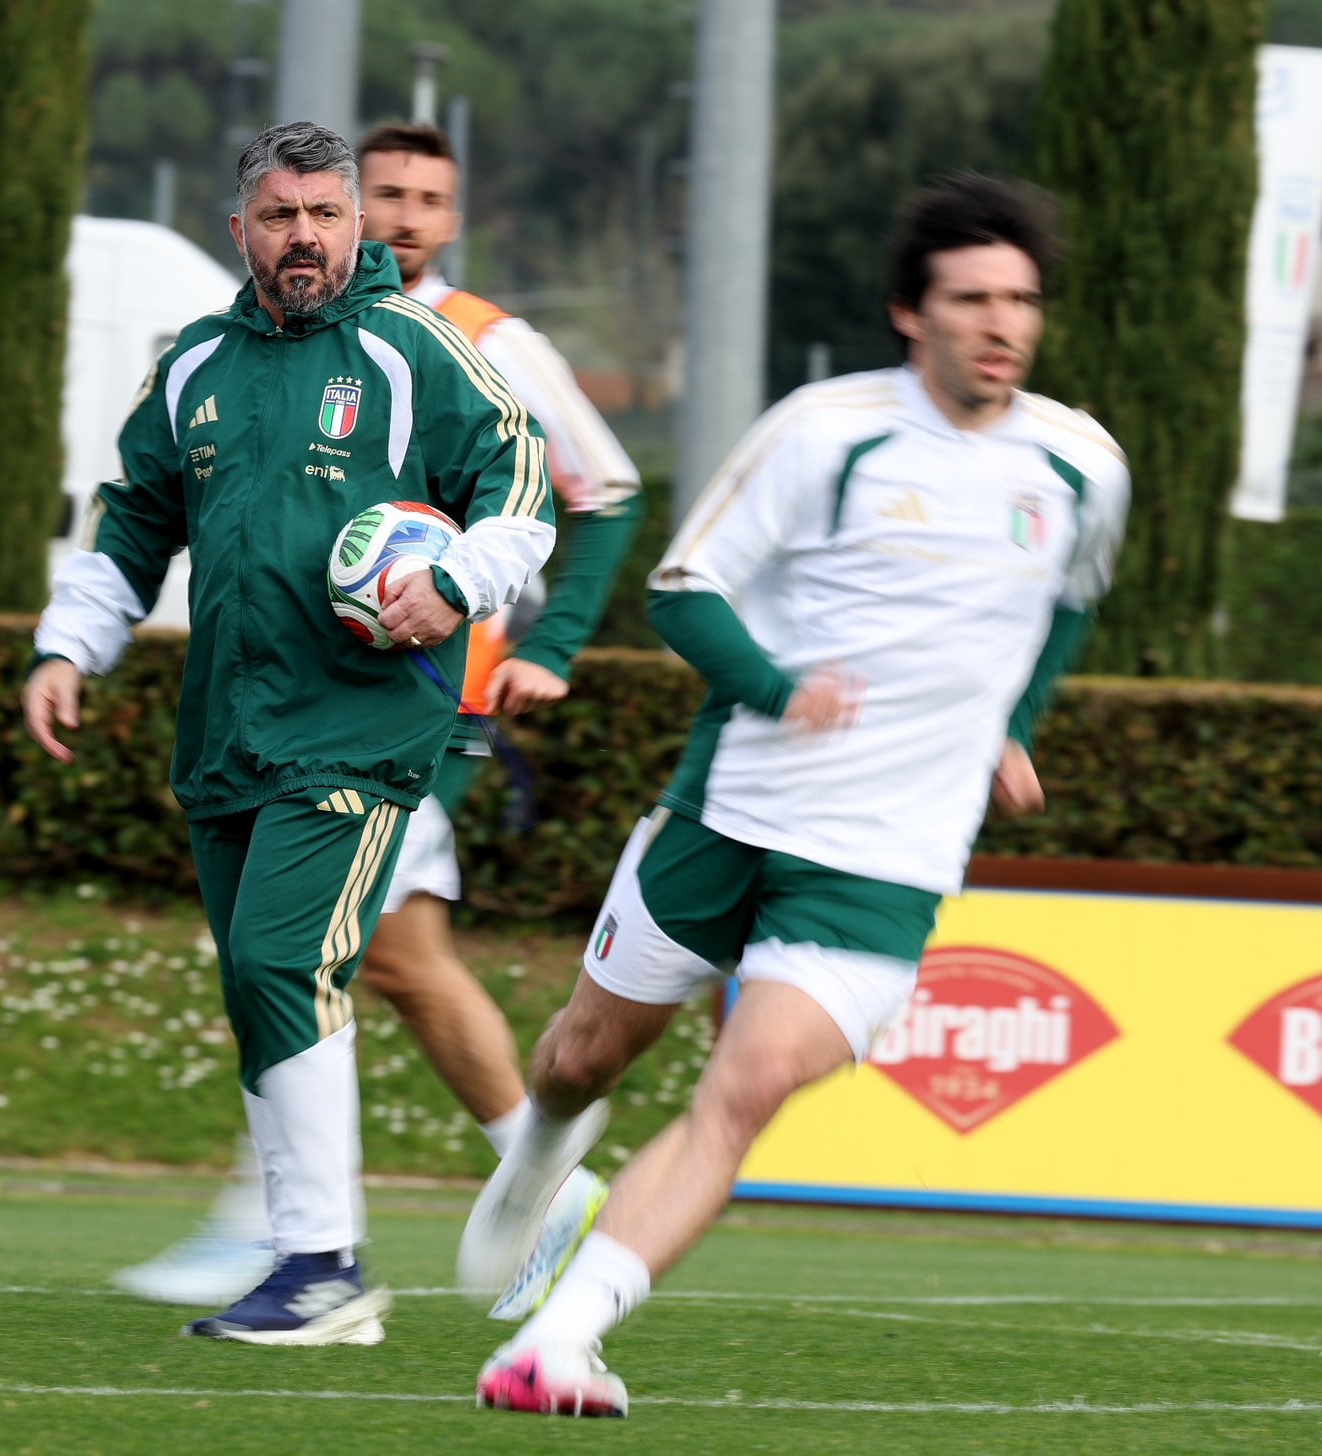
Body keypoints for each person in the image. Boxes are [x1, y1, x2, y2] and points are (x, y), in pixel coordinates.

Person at [464, 172, 1130, 1416]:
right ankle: (538, 1158)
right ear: (906, 312)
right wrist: (774, 689)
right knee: (581, 1055)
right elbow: (680, 588)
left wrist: (1011, 729)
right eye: (971, 298)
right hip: (732, 807)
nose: (1002, 323)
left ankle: (556, 1341)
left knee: (748, 1084)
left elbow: (1068, 607)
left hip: (882, 857)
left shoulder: (1081, 464)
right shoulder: (824, 432)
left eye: (1020, 299)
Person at [25, 119, 555, 1346]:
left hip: (362, 723)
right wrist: (67, 646)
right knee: (257, 986)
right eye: (280, 217)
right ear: (242, 230)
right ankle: (309, 1261)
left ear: (355, 226)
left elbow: (517, 483)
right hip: (226, 730)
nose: (303, 237)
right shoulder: (192, 365)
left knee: (281, 962)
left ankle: (323, 1266)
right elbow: (130, 525)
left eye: (325, 215)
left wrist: (460, 582)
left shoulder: (410, 348)